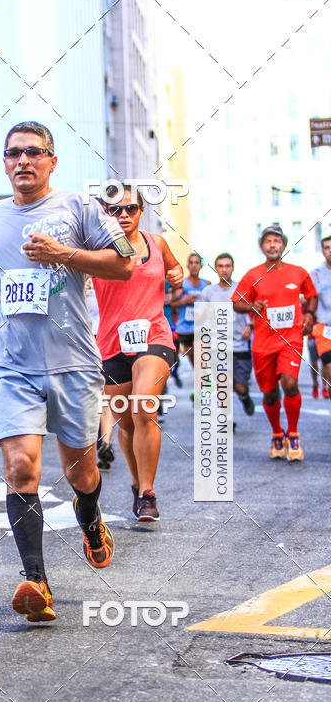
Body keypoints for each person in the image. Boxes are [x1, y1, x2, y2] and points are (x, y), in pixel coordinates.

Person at [0, 121, 135, 623]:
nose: (22, 162)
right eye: (13, 153)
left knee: (81, 473)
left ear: (52, 161)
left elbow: (124, 261)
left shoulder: (78, 207)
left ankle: (90, 518)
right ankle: (36, 580)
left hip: (73, 362)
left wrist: (65, 254)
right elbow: (8, 272)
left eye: (33, 153)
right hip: (12, 360)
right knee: (20, 468)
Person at [93, 188, 184, 521]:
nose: (124, 214)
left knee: (144, 406)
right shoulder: (96, 247)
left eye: (130, 207)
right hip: (112, 344)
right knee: (127, 423)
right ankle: (136, 484)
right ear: (105, 212)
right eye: (115, 209)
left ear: (141, 211)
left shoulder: (156, 243)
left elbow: (175, 272)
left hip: (154, 337)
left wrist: (177, 274)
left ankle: (148, 492)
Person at [232, 223, 317, 460]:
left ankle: (293, 433)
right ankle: (277, 433)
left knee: (290, 384)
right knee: (269, 395)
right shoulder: (252, 275)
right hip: (263, 344)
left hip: (290, 339)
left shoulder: (298, 272)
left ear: (284, 245)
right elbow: (236, 302)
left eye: (277, 241)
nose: (273, 245)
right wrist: (251, 306)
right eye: (268, 241)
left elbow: (311, 296)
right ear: (262, 246)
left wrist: (309, 315)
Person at [201, 253, 255, 422]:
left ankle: (244, 397)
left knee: (240, 387)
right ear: (216, 269)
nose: (224, 270)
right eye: (221, 266)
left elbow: (255, 311)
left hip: (240, 344)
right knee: (222, 385)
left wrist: (250, 326)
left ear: (232, 268)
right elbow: (202, 318)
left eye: (227, 266)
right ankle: (227, 419)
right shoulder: (208, 292)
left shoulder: (243, 288)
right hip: (218, 345)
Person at [85, 276, 116, 470]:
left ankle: (105, 443)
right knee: (88, 396)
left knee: (103, 394)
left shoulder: (107, 275)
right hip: (79, 339)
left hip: (103, 337)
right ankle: (100, 443)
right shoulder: (72, 276)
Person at [171, 253, 210, 377]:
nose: (194, 266)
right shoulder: (181, 284)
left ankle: (204, 386)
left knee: (201, 356)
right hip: (184, 328)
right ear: (187, 265)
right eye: (192, 263)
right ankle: (202, 385)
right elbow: (172, 304)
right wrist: (184, 301)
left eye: (197, 263)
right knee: (194, 360)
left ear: (201, 266)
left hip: (201, 327)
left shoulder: (207, 284)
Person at [310, 232, 331, 398]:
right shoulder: (316, 273)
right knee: (328, 366)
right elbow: (311, 298)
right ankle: (321, 385)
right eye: (327, 248)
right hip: (324, 326)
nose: (330, 251)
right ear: (322, 251)